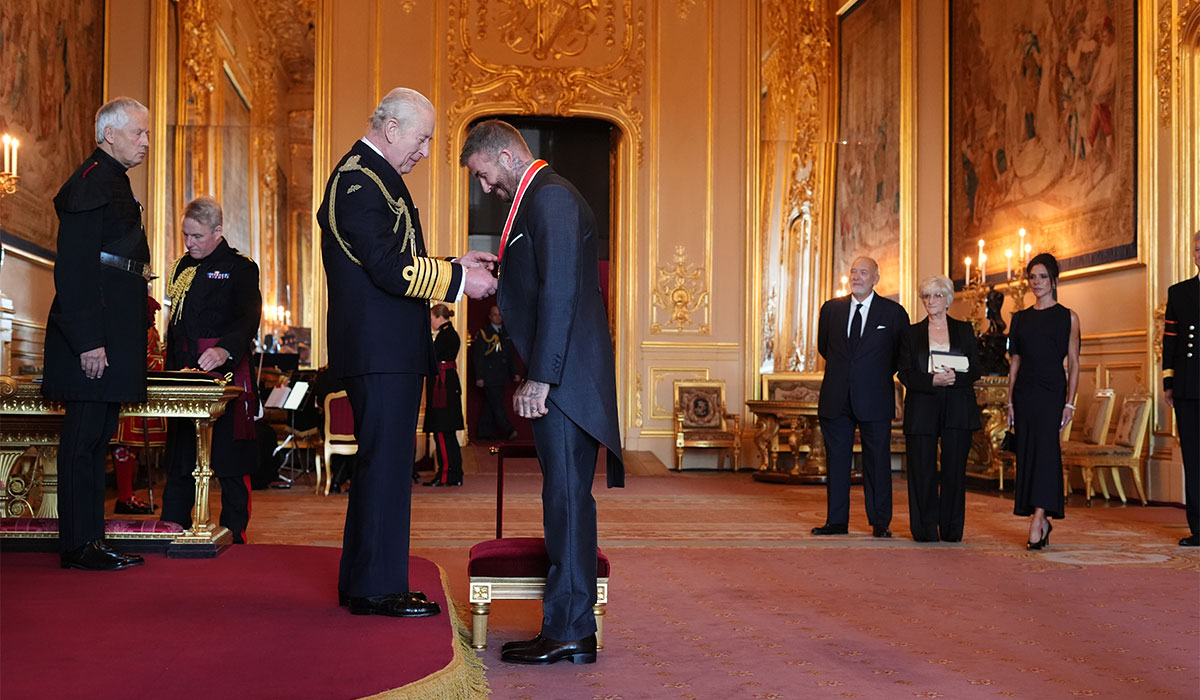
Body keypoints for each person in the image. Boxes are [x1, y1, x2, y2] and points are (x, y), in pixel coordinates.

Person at [319, 87, 497, 619]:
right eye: (420, 139)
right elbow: (389, 268)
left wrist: (451, 262)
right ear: (391, 128)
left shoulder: (373, 178)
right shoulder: (359, 180)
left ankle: (364, 581)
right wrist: (461, 279)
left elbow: (398, 261)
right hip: (381, 350)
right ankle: (377, 589)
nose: (423, 151)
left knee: (384, 466)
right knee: (388, 468)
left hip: (385, 347)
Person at [460, 118, 624, 665]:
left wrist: (542, 377)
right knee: (563, 499)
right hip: (565, 375)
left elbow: (560, 292)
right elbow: (539, 279)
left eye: (484, 175)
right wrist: (498, 270)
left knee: (569, 501)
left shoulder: (549, 198)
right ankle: (568, 625)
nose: (484, 188)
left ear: (506, 156)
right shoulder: (537, 199)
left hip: (568, 381)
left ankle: (571, 630)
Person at [41, 97, 151, 571]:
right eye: (138, 134)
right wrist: (88, 340)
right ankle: (78, 545)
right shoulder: (89, 183)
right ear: (109, 134)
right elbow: (75, 269)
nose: (145, 142)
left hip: (110, 329)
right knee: (82, 439)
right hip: (91, 336)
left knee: (98, 437)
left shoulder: (110, 180)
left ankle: (91, 540)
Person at [159, 196, 262, 544]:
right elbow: (175, 323)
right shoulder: (180, 267)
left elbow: (249, 318)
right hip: (184, 374)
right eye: (185, 235)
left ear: (217, 231)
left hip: (224, 374)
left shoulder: (241, 267)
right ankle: (172, 524)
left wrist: (224, 350)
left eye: (197, 236)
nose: (189, 243)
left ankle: (235, 531)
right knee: (181, 455)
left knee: (229, 460)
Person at [812, 256, 909, 538]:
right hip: (836, 396)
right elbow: (825, 347)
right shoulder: (831, 309)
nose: (856, 276)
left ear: (876, 278)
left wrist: (870, 374)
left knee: (877, 462)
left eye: (863, 272)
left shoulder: (893, 313)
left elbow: (899, 356)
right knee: (837, 461)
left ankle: (880, 523)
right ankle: (836, 521)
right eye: (853, 271)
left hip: (875, 397)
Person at [897, 275, 982, 542]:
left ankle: (951, 530)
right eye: (926, 296)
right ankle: (924, 530)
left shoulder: (965, 330)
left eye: (936, 296)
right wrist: (932, 380)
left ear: (947, 299)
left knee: (954, 470)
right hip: (923, 405)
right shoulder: (911, 333)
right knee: (922, 470)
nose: (931, 301)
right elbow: (905, 373)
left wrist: (956, 378)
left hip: (958, 406)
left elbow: (976, 369)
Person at [1007, 253, 1081, 550]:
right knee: (1027, 454)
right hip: (1024, 393)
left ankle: (1038, 518)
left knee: (1047, 453)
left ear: (1053, 280)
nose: (1036, 283)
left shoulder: (1068, 317)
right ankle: (1040, 517)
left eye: (1041, 277)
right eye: (1032, 277)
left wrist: (1070, 403)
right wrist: (1010, 402)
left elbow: (1074, 363)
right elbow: (1015, 362)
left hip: (1052, 393)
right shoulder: (1020, 318)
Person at [110, 294, 168, 515]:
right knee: (124, 444)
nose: (153, 315)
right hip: (128, 393)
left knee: (130, 447)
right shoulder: (136, 329)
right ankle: (124, 497)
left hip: (135, 392)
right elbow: (144, 359)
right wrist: (165, 359)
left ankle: (127, 495)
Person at [1163, 231, 1200, 547]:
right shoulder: (1180, 293)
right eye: (1197, 249)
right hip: (1188, 387)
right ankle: (1199, 528)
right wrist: (1169, 382)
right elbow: (1171, 342)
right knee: (1194, 458)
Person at [423, 304, 464, 487]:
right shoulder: (448, 334)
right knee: (446, 432)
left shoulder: (446, 336)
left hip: (443, 387)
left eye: (431, 317)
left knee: (442, 430)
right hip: (446, 385)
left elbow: (431, 356)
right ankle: (450, 472)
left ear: (439, 317)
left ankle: (447, 474)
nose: (430, 322)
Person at [472, 305, 521, 441]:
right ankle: (509, 429)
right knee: (497, 403)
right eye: (494, 314)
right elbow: (478, 357)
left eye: (499, 314)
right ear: (490, 317)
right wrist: (479, 376)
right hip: (489, 375)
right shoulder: (484, 333)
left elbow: (511, 355)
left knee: (490, 404)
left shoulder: (506, 332)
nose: (498, 317)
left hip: (502, 375)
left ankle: (483, 433)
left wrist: (515, 372)